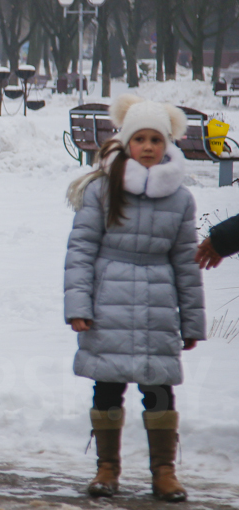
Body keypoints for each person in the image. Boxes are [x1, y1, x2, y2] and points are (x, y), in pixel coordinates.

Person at [64, 95, 205, 502]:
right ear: (126, 142)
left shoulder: (180, 199)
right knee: (108, 388)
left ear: (167, 144)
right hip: (108, 305)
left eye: (155, 140)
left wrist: (192, 321)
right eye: (139, 139)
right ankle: (107, 468)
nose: (147, 147)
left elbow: (186, 262)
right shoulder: (102, 190)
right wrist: (78, 306)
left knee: (158, 390)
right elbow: (81, 250)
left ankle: (164, 472)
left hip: (158, 310)